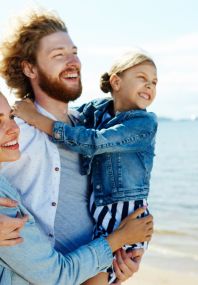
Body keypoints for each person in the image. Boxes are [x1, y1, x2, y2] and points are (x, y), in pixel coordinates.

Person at [0, 9, 147, 284]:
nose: (73, 62)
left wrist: (125, 256)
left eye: (74, 52)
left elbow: (119, 196)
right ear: (29, 68)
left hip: (92, 270)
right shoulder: (16, 131)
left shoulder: (92, 128)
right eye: (58, 55)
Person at [0, 92, 152, 284]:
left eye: (11, 116)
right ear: (28, 67)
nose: (13, 128)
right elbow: (56, 275)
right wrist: (119, 238)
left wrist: (117, 261)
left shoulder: (86, 124)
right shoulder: (4, 203)